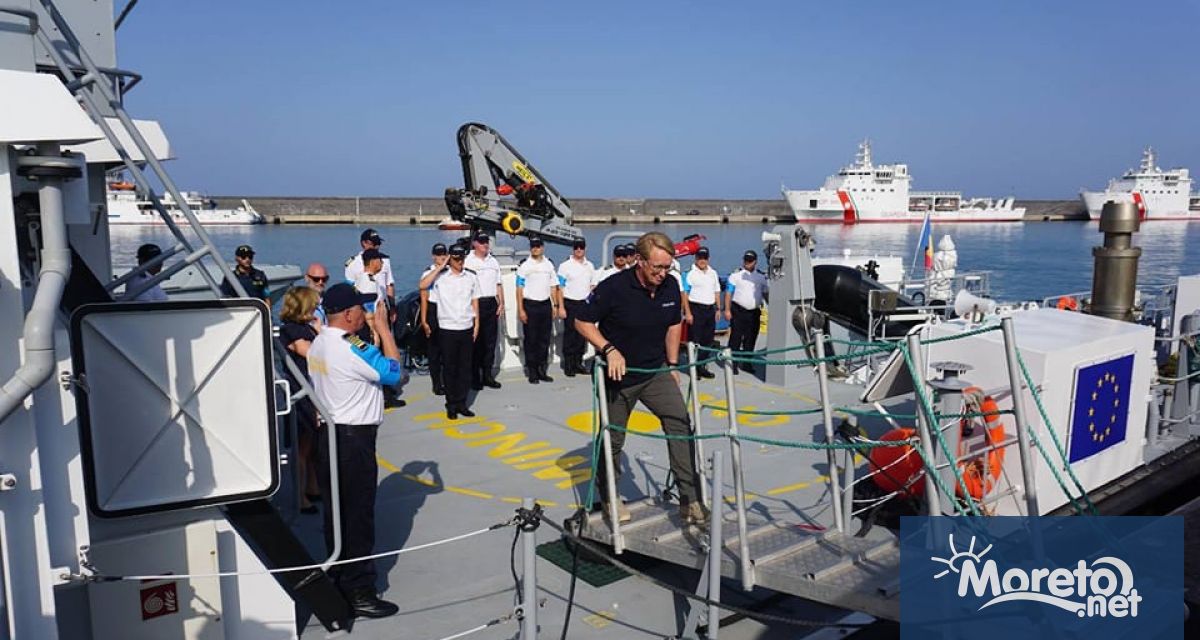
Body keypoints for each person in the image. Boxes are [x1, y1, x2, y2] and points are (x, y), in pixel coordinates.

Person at [575, 232, 706, 525]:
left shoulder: (671, 286)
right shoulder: (613, 287)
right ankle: (609, 497)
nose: (662, 274)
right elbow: (582, 321)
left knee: (680, 424)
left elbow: (673, 325)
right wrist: (609, 350)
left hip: (654, 370)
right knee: (613, 438)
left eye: (667, 267)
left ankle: (690, 499)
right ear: (640, 261)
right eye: (657, 267)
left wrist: (673, 364)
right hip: (619, 376)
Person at [307, 283, 403, 619]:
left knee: (337, 515)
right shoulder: (352, 345)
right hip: (354, 441)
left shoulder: (319, 343)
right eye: (361, 309)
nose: (365, 314)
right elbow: (393, 373)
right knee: (358, 516)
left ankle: (339, 576)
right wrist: (385, 331)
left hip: (328, 436)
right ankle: (360, 590)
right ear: (348, 314)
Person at [278, 286, 323, 514]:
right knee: (302, 447)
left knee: (313, 444)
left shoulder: (306, 328)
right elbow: (310, 353)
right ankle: (300, 495)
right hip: (301, 392)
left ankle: (313, 487)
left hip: (312, 389)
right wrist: (322, 334)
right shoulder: (291, 330)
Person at [429, 243, 481, 419]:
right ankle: (451, 404)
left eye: (462, 259)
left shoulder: (471, 277)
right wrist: (441, 267)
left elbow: (475, 301)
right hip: (447, 328)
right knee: (450, 368)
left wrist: (477, 324)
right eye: (457, 259)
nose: (460, 262)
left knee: (465, 368)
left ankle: (462, 403)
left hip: (466, 327)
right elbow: (423, 285)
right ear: (450, 259)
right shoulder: (440, 278)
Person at [464, 232, 503, 390]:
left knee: (490, 342)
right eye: (481, 242)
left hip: (491, 302)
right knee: (476, 342)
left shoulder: (493, 261)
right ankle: (475, 377)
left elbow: (498, 284)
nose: (485, 244)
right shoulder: (468, 261)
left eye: (486, 241)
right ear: (474, 244)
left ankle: (487, 375)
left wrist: (501, 302)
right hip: (475, 303)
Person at [517, 237, 559, 384]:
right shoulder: (524, 266)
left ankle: (542, 370)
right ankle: (532, 371)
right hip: (530, 305)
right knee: (531, 340)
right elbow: (519, 289)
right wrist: (521, 309)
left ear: (542, 247)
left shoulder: (549, 265)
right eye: (533, 246)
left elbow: (553, 286)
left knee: (544, 340)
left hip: (545, 305)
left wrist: (555, 305)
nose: (535, 248)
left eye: (538, 246)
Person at [724, 250, 769, 374]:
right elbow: (728, 293)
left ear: (755, 262)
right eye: (746, 260)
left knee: (751, 338)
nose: (747, 263)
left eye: (750, 261)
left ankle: (747, 363)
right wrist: (727, 310)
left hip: (754, 312)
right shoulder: (736, 275)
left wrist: (773, 307)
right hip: (738, 310)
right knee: (736, 338)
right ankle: (732, 363)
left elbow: (765, 293)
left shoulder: (761, 277)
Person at [557, 238, 595, 376]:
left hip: (584, 304)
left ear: (585, 248)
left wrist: (590, 303)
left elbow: (592, 286)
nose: (579, 250)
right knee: (570, 334)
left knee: (582, 335)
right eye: (576, 247)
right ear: (573, 249)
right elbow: (559, 288)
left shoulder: (590, 265)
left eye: (581, 247)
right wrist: (561, 307)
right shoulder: (565, 266)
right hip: (570, 303)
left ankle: (578, 363)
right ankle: (569, 365)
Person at [682, 247, 720, 379]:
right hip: (696, 309)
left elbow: (716, 291)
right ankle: (693, 369)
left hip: (710, 309)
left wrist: (718, 308)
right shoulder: (690, 273)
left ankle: (702, 366)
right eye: (700, 258)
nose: (702, 261)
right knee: (695, 340)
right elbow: (685, 294)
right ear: (696, 258)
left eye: (704, 258)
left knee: (708, 340)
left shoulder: (713, 273)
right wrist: (687, 313)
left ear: (708, 259)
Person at [420, 243, 449, 395]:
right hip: (433, 309)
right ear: (433, 256)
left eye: (444, 254)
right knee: (434, 350)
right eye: (439, 254)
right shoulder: (428, 272)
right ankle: (436, 383)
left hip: (448, 310)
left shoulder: (451, 271)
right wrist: (424, 321)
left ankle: (449, 381)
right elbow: (423, 293)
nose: (442, 257)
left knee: (448, 349)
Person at [344, 228, 395, 302]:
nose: (377, 246)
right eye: (374, 243)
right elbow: (349, 288)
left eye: (378, 243)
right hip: (362, 304)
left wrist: (392, 305)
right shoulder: (353, 263)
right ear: (364, 243)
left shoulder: (385, 260)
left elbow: (389, 285)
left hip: (381, 304)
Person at [353, 248, 388, 346]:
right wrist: (374, 333)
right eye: (380, 260)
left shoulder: (361, 279)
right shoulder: (369, 282)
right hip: (368, 334)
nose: (382, 263)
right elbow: (368, 310)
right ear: (373, 262)